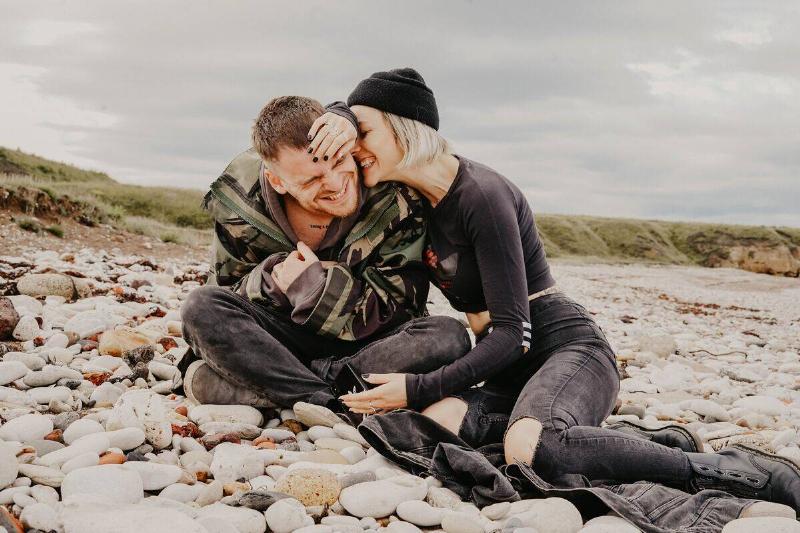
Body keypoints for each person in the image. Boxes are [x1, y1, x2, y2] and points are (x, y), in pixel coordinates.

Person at [306, 68, 800, 512]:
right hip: (506, 364)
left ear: (403, 127)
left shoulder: (481, 193)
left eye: (362, 131)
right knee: (438, 424)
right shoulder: (413, 202)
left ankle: (733, 471)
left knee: (533, 448)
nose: (351, 148)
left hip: (564, 346)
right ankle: (649, 440)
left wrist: (417, 386)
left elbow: (513, 334)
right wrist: (338, 115)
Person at [180, 95, 471, 415]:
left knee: (449, 337)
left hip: (367, 344)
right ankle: (333, 401)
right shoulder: (238, 199)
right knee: (200, 306)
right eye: (313, 179)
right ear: (277, 180)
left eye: (338, 161)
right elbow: (226, 294)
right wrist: (268, 281)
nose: (335, 184)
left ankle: (286, 389)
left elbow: (401, 305)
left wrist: (315, 288)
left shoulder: (391, 194)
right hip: (280, 339)